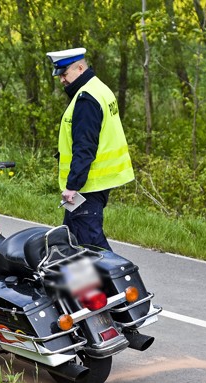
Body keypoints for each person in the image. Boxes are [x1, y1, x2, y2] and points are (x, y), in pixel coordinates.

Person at [47, 47, 134, 250]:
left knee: (91, 246)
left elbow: (84, 146)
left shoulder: (86, 98)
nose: (62, 80)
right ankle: (76, 273)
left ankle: (121, 272)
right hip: (91, 183)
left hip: (87, 185)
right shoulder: (98, 88)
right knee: (71, 240)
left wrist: (72, 185)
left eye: (64, 74)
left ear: (79, 68)